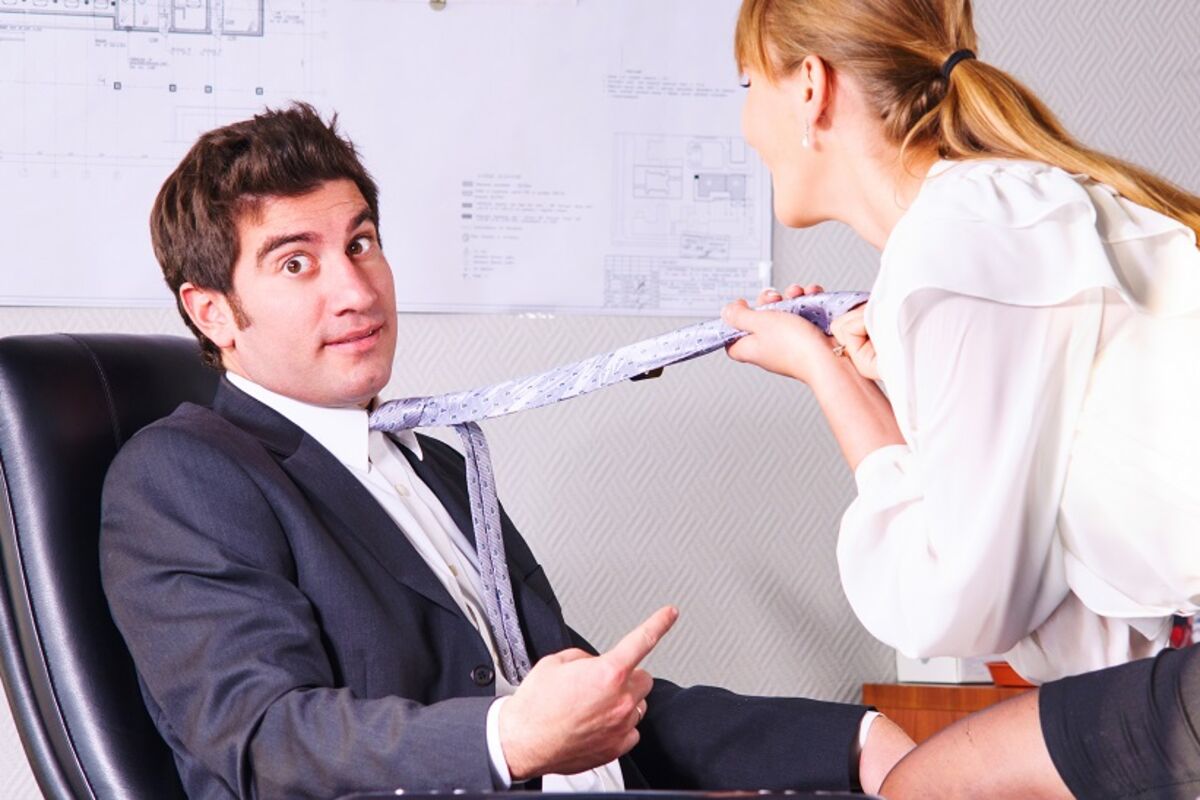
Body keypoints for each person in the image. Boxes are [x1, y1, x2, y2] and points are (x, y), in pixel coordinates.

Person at [98, 102, 914, 800]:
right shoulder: (181, 475)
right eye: (295, 262)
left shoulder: (440, 466)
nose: (354, 289)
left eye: (360, 243)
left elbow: (596, 703)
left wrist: (857, 742)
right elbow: (266, 741)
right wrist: (510, 739)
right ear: (211, 311)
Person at [718, 0, 1200, 795]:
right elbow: (1070, 614)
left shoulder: (954, 243)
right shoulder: (993, 213)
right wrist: (872, 380)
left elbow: (965, 607)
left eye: (746, 86)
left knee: (924, 785)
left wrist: (825, 376)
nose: (743, 127)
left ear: (811, 86)